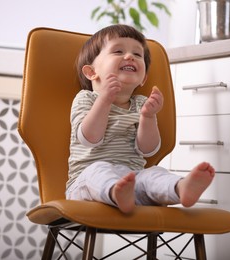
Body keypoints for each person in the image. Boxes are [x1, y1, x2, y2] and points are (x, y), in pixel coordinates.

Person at [66, 24, 215, 214]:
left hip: (132, 181)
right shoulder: (86, 98)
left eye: (137, 55)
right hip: (84, 185)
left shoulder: (141, 104)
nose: (129, 56)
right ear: (91, 72)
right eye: (118, 51)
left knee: (154, 173)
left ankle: (180, 188)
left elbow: (147, 149)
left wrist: (148, 116)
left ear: (143, 78)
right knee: (98, 170)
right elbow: (89, 138)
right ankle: (115, 192)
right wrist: (104, 100)